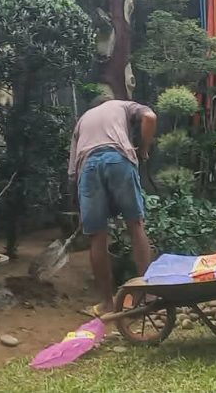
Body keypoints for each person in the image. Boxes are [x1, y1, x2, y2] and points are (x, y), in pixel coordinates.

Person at [68, 93, 158, 315]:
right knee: (135, 226)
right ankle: (149, 295)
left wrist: (79, 201)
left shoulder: (82, 120)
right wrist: (144, 149)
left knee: (97, 236)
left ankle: (107, 304)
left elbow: (72, 172)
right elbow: (150, 117)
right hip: (118, 158)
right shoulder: (124, 105)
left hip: (87, 165)